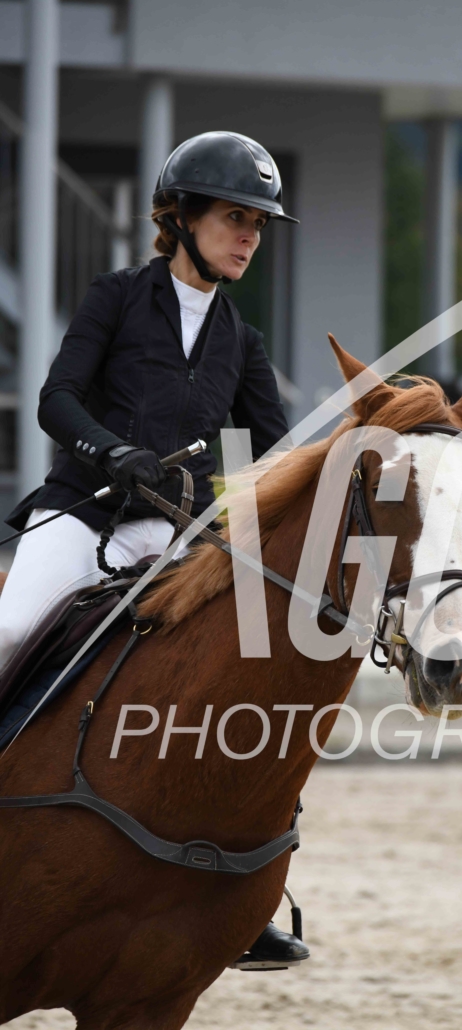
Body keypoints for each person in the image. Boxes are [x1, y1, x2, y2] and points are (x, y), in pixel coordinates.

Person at [0, 130, 309, 969]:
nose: (249, 237)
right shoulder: (116, 297)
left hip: (169, 540)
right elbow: (57, 398)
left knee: (228, 684)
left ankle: (244, 890)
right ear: (181, 217)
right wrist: (112, 451)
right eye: (235, 218)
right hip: (80, 515)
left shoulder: (241, 341)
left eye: (258, 224)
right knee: (9, 633)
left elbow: (276, 454)